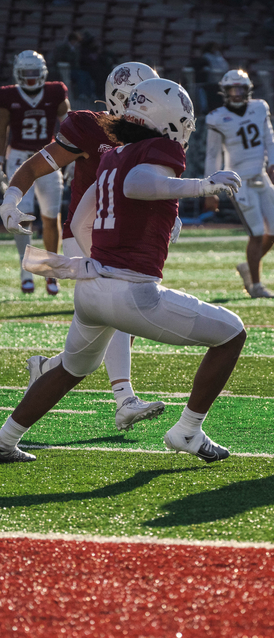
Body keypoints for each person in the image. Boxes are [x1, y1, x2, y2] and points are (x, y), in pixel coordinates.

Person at [0, 78, 247, 465]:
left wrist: (102, 258)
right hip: (132, 292)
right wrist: (202, 186)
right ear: (171, 119)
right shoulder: (154, 149)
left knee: (71, 367)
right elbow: (139, 184)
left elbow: (83, 217)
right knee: (232, 334)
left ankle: (4, 439)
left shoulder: (113, 154)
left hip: (93, 285)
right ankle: (188, 430)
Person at [1, 61, 166, 432]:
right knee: (122, 307)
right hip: (86, 231)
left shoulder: (153, 132)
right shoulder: (90, 127)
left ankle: (44, 369)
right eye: (144, 98)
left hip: (124, 234)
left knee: (92, 346)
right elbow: (34, 166)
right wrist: (10, 199)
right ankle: (125, 399)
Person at [204, 70, 274, 299]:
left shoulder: (260, 108)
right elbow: (213, 155)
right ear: (225, 92)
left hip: (261, 176)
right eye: (232, 89)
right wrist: (211, 189)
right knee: (257, 233)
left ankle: (249, 265)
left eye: (241, 89)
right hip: (238, 182)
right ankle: (256, 285)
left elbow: (270, 139)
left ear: (247, 90)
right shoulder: (217, 117)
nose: (237, 94)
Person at [0, 50, 69, 295]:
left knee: (52, 216)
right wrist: (0, 162)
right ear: (18, 74)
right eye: (26, 73)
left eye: (34, 73)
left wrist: (70, 158)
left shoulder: (55, 92)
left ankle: (50, 272)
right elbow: (2, 130)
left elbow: (69, 126)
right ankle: (25, 271)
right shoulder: (8, 96)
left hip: (49, 156)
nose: (30, 78)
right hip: (18, 158)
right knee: (22, 215)